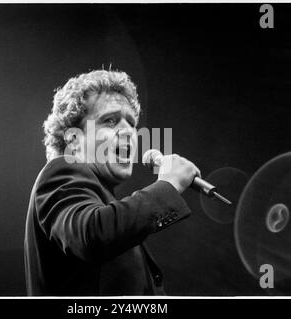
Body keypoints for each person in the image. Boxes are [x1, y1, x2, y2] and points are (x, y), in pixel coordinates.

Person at [24, 69, 200, 296]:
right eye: (110, 120)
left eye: (132, 124)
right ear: (74, 140)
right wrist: (167, 186)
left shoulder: (104, 203)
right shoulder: (60, 172)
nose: (128, 131)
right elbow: (91, 235)